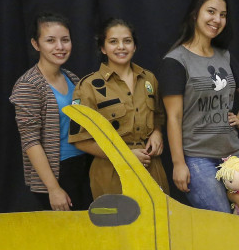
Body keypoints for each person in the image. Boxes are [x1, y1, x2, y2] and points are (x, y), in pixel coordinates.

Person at [160, 0, 239, 212]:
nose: (217, 20)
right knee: (221, 219)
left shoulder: (225, 56)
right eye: (211, 12)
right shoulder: (176, 61)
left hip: (233, 155)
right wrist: (178, 163)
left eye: (223, 15)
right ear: (195, 14)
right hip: (197, 158)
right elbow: (173, 117)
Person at [69, 18, 168, 198]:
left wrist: (157, 133)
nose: (121, 47)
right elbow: (80, 140)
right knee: (120, 217)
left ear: (135, 46)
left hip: (151, 168)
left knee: (159, 216)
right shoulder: (88, 86)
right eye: (113, 41)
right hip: (112, 172)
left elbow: (158, 115)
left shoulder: (149, 79)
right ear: (103, 48)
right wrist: (124, 155)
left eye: (127, 41)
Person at [10, 12, 91, 211]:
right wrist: (53, 189)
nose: (60, 47)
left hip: (84, 166)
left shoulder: (73, 79)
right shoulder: (28, 85)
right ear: (36, 44)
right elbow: (30, 141)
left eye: (65, 40)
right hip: (58, 173)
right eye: (50, 40)